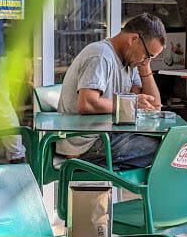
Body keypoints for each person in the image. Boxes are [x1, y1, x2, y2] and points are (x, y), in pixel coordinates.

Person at [56, 13, 166, 169]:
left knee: (168, 143)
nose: (147, 60)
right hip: (85, 143)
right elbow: (87, 104)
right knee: (164, 149)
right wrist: (131, 105)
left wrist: (145, 67)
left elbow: (153, 107)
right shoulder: (100, 55)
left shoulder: (131, 62)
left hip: (108, 136)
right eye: (148, 55)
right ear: (134, 39)